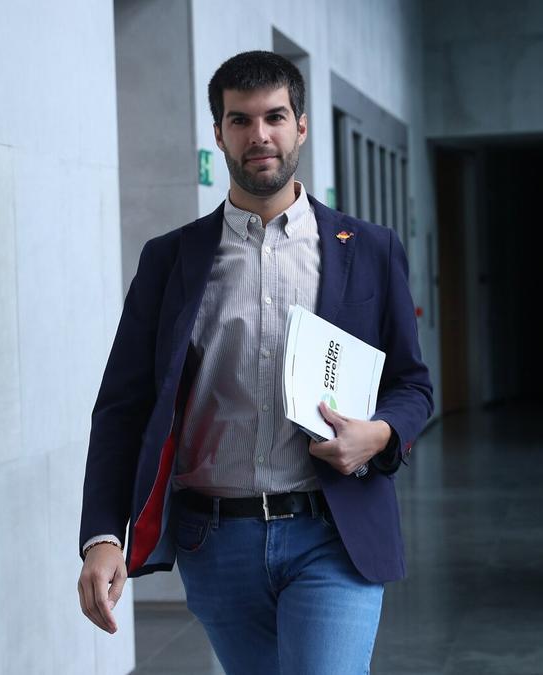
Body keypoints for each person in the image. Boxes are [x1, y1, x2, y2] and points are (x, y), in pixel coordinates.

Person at [76, 50, 433, 674]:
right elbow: (123, 407)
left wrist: (377, 434)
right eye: (240, 120)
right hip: (216, 541)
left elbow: (412, 386)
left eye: (274, 117)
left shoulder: (368, 250)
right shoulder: (170, 260)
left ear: (301, 126)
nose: (258, 135)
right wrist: (104, 535)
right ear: (219, 133)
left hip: (334, 532)